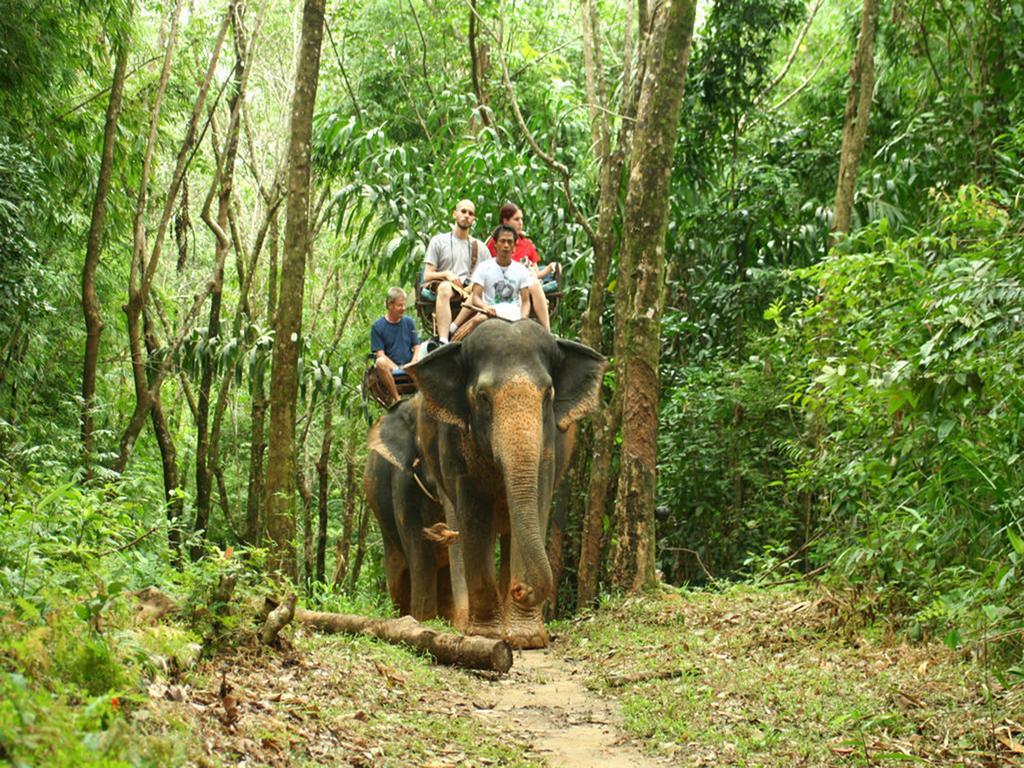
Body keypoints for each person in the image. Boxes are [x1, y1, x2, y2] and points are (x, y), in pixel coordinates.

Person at [423, 199, 491, 344]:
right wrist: (446, 274)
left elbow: (490, 276)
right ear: (455, 214)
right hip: (448, 288)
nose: (466, 215)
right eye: (463, 211)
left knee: (482, 288)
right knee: (445, 288)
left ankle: (453, 328)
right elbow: (427, 275)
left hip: (471, 292)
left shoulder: (480, 248)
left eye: (471, 213)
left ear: (473, 219)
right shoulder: (438, 241)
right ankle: (443, 340)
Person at [486, 203, 558, 331]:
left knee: (534, 283)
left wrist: (551, 267)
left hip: (528, 281)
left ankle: (547, 331)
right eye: (516, 219)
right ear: (505, 221)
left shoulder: (527, 243)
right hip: (504, 280)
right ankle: (517, 325)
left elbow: (536, 272)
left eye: (521, 219)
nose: (521, 223)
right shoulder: (496, 242)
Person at [458, 224, 533, 336]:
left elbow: (526, 301)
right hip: (489, 315)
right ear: (495, 245)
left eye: (510, 242)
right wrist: (486, 307)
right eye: (502, 241)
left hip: (515, 317)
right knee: (477, 321)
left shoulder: (522, 270)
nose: (506, 245)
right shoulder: (484, 267)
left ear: (514, 246)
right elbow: (475, 297)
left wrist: (523, 318)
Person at [371, 287, 420, 406]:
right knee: (380, 361)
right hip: (392, 368)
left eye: (404, 305)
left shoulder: (409, 322)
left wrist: (413, 362)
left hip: (411, 366)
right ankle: (397, 400)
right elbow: (380, 354)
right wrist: (398, 368)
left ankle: (425, 397)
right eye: (400, 305)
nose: (403, 308)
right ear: (390, 305)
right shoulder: (378, 327)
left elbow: (417, 346)